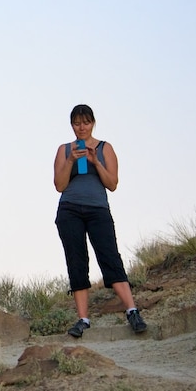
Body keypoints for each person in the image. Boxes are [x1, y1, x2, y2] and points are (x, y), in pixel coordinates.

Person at [53, 104, 147, 338]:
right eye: (76, 123)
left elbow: (112, 184)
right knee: (76, 260)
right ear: (71, 125)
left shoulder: (105, 148)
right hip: (69, 209)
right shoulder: (64, 149)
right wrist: (70, 161)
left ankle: (132, 311)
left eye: (85, 122)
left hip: (98, 209)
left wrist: (95, 162)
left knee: (110, 257)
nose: (81, 127)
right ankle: (83, 319)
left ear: (93, 123)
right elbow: (59, 185)